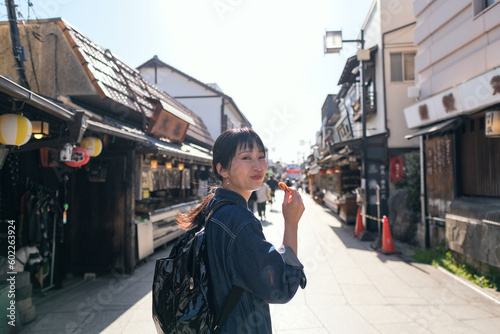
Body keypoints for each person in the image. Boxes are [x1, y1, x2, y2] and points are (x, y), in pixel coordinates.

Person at [177, 127, 306, 333]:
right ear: (223, 169)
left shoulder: (215, 208)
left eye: (261, 156)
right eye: (246, 157)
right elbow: (280, 288)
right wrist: (291, 223)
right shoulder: (238, 220)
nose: (258, 166)